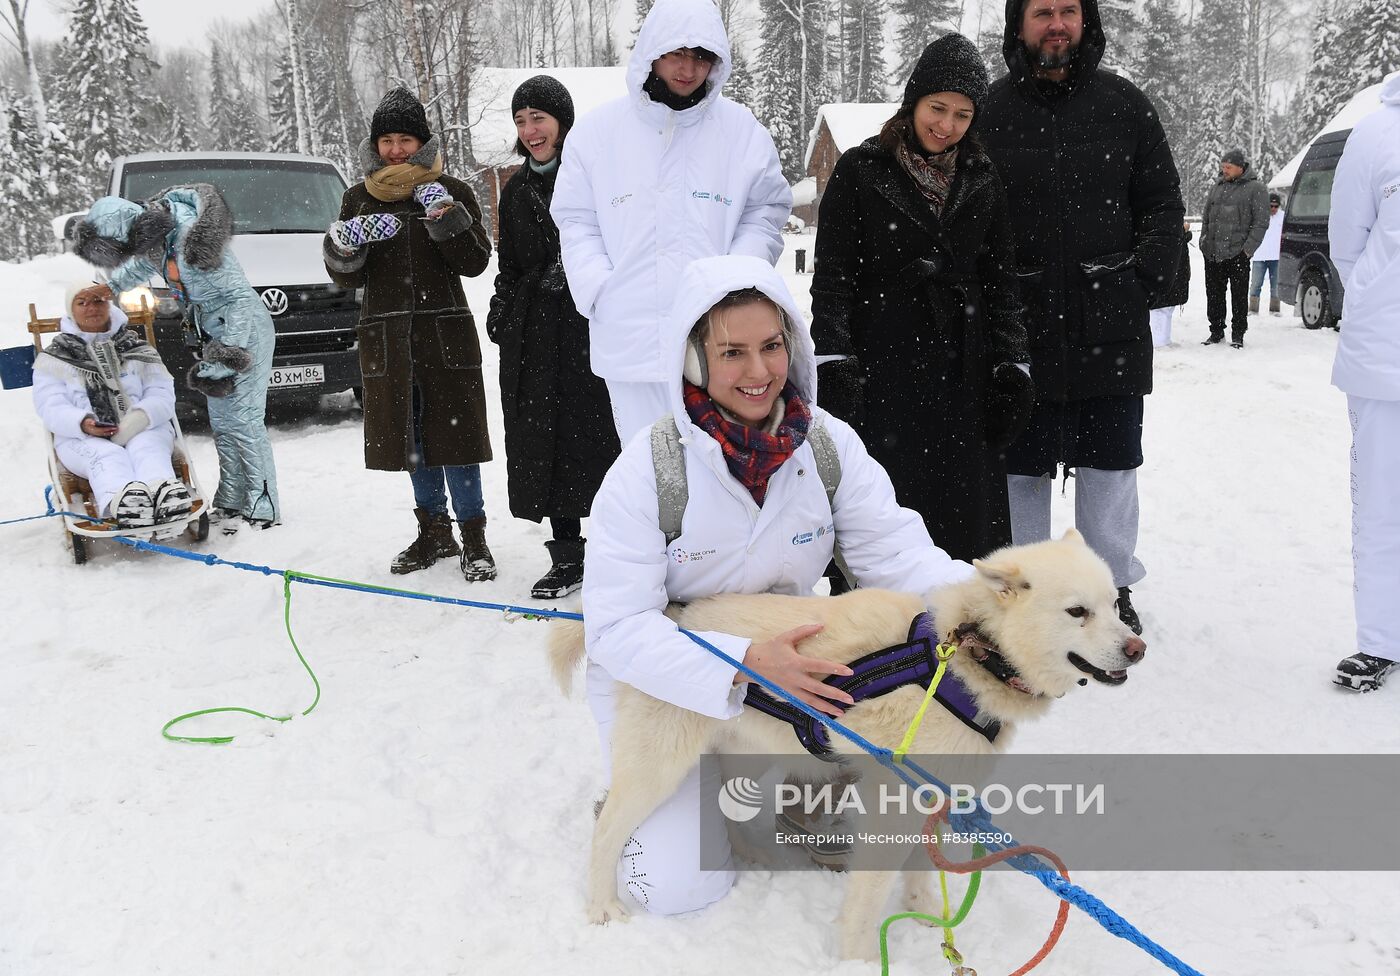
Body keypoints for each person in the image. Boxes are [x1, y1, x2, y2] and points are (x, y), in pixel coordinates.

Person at [582, 254, 971, 915]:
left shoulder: (827, 447)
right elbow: (618, 628)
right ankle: (648, 797)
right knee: (678, 888)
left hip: (792, 678)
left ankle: (785, 792)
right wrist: (744, 663)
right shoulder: (649, 469)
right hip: (668, 680)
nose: (759, 372)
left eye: (771, 346)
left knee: (877, 832)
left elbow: (901, 556)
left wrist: (993, 609)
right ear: (694, 362)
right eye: (732, 352)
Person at [978, 0, 1185, 635]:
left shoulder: (1125, 106)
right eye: (1043, 12)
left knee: (1111, 467)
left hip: (1108, 325)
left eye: (1069, 11)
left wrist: (1136, 282)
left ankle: (1110, 586)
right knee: (1019, 467)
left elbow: (1161, 204)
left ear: (1086, 22)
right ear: (1019, 24)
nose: (1057, 25)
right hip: (1018, 325)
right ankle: (1018, 592)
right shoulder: (987, 112)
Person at [811, 33, 1032, 564]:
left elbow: (1002, 280)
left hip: (964, 366)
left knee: (966, 515)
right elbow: (833, 274)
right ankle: (880, 630)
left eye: (962, 114)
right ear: (913, 103)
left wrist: (1012, 364)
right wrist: (836, 360)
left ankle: (968, 625)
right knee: (885, 509)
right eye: (937, 108)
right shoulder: (862, 170)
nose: (947, 125)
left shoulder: (982, 176)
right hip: (883, 364)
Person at [551, 0, 792, 443]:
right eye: (677, 53)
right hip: (631, 339)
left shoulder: (741, 133)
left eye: (702, 56)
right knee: (649, 473)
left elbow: (767, 211)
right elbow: (576, 219)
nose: (688, 68)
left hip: (720, 340)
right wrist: (599, 289)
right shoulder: (598, 133)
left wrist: (733, 280)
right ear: (651, 51)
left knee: (722, 471)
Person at [323, 87, 496, 581]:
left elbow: (476, 261)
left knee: (457, 441)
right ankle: (434, 533)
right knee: (413, 440)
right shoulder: (356, 198)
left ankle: (475, 539)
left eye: (405, 139)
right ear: (374, 145)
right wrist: (345, 243)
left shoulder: (453, 190)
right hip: (390, 342)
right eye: (387, 140)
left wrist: (447, 219)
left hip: (445, 339)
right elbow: (347, 276)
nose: (396, 150)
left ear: (421, 143)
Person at [74, 185, 280, 530]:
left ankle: (263, 506)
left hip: (244, 334)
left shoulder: (193, 244)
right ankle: (231, 500)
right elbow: (143, 266)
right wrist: (111, 289)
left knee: (244, 422)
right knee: (224, 424)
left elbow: (239, 300)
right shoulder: (160, 237)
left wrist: (228, 353)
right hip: (216, 332)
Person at [487, 76, 620, 599]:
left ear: (561, 120)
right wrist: (502, 312)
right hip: (535, 336)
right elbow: (509, 265)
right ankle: (567, 556)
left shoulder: (590, 174)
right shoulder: (516, 189)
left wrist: (578, 277)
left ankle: (617, 550)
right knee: (547, 441)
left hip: (589, 328)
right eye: (520, 121)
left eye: (538, 117)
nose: (529, 130)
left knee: (604, 437)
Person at [1328, 71, 1400, 692]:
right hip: (1389, 359)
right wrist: (1385, 301)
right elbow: (1348, 245)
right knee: (1383, 505)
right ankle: (1381, 640)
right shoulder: (1377, 131)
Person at [32, 283, 189, 527]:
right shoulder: (54, 358)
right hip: (80, 438)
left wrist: (140, 418)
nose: (91, 308)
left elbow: (162, 392)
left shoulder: (137, 348)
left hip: (143, 427)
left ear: (109, 305)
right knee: (108, 455)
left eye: (97, 301)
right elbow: (49, 405)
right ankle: (124, 506)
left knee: (148, 447)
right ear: (71, 310)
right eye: (81, 303)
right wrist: (83, 423)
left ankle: (165, 497)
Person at [1200, 148, 1270, 347]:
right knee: (1213, 295)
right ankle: (1216, 331)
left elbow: (1261, 223)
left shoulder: (1256, 188)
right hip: (1212, 252)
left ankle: (1238, 334)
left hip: (1237, 253)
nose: (1224, 170)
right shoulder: (1217, 187)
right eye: (1223, 167)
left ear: (1241, 167)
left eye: (1228, 167)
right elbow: (1206, 217)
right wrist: (1204, 240)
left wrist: (1247, 250)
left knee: (1238, 297)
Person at [1149, 223, 1193, 348]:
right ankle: (1159, 341)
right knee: (1160, 307)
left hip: (1173, 259)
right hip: (1166, 258)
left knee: (1167, 305)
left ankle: (1164, 339)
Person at [1249, 193, 1285, 316]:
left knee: (1276, 285)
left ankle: (1274, 309)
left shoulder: (1283, 217)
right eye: (1271, 205)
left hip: (1277, 257)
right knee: (1256, 284)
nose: (1273, 208)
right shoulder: (1258, 216)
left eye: (1276, 206)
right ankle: (1253, 309)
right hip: (1259, 256)